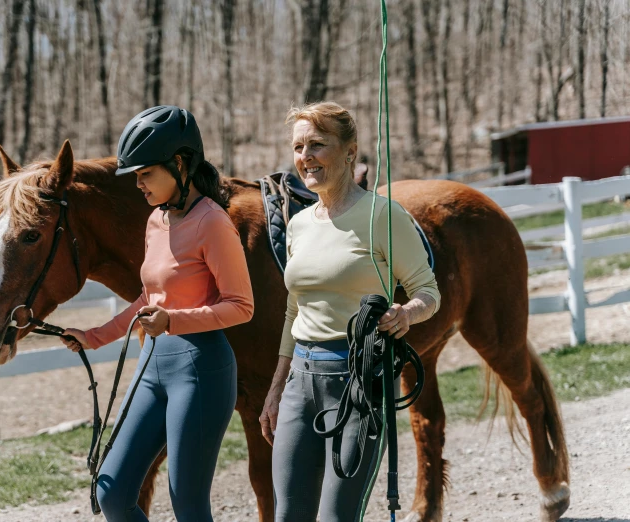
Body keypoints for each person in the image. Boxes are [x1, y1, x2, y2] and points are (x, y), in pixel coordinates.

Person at [60, 105, 254, 521]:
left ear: (180, 164)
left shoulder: (213, 222)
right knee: (111, 491)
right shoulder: (156, 221)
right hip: (153, 366)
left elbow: (241, 307)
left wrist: (174, 321)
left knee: (188, 504)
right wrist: (92, 336)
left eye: (146, 173)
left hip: (201, 371)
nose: (138, 184)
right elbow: (147, 300)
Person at [259, 101, 440, 521]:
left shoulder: (383, 216)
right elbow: (294, 310)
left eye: (318, 145)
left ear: (349, 151)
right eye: (299, 146)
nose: (306, 156)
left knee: (337, 518)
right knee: (288, 513)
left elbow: (428, 291)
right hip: (299, 384)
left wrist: (407, 313)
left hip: (359, 381)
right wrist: (275, 388)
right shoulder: (299, 223)